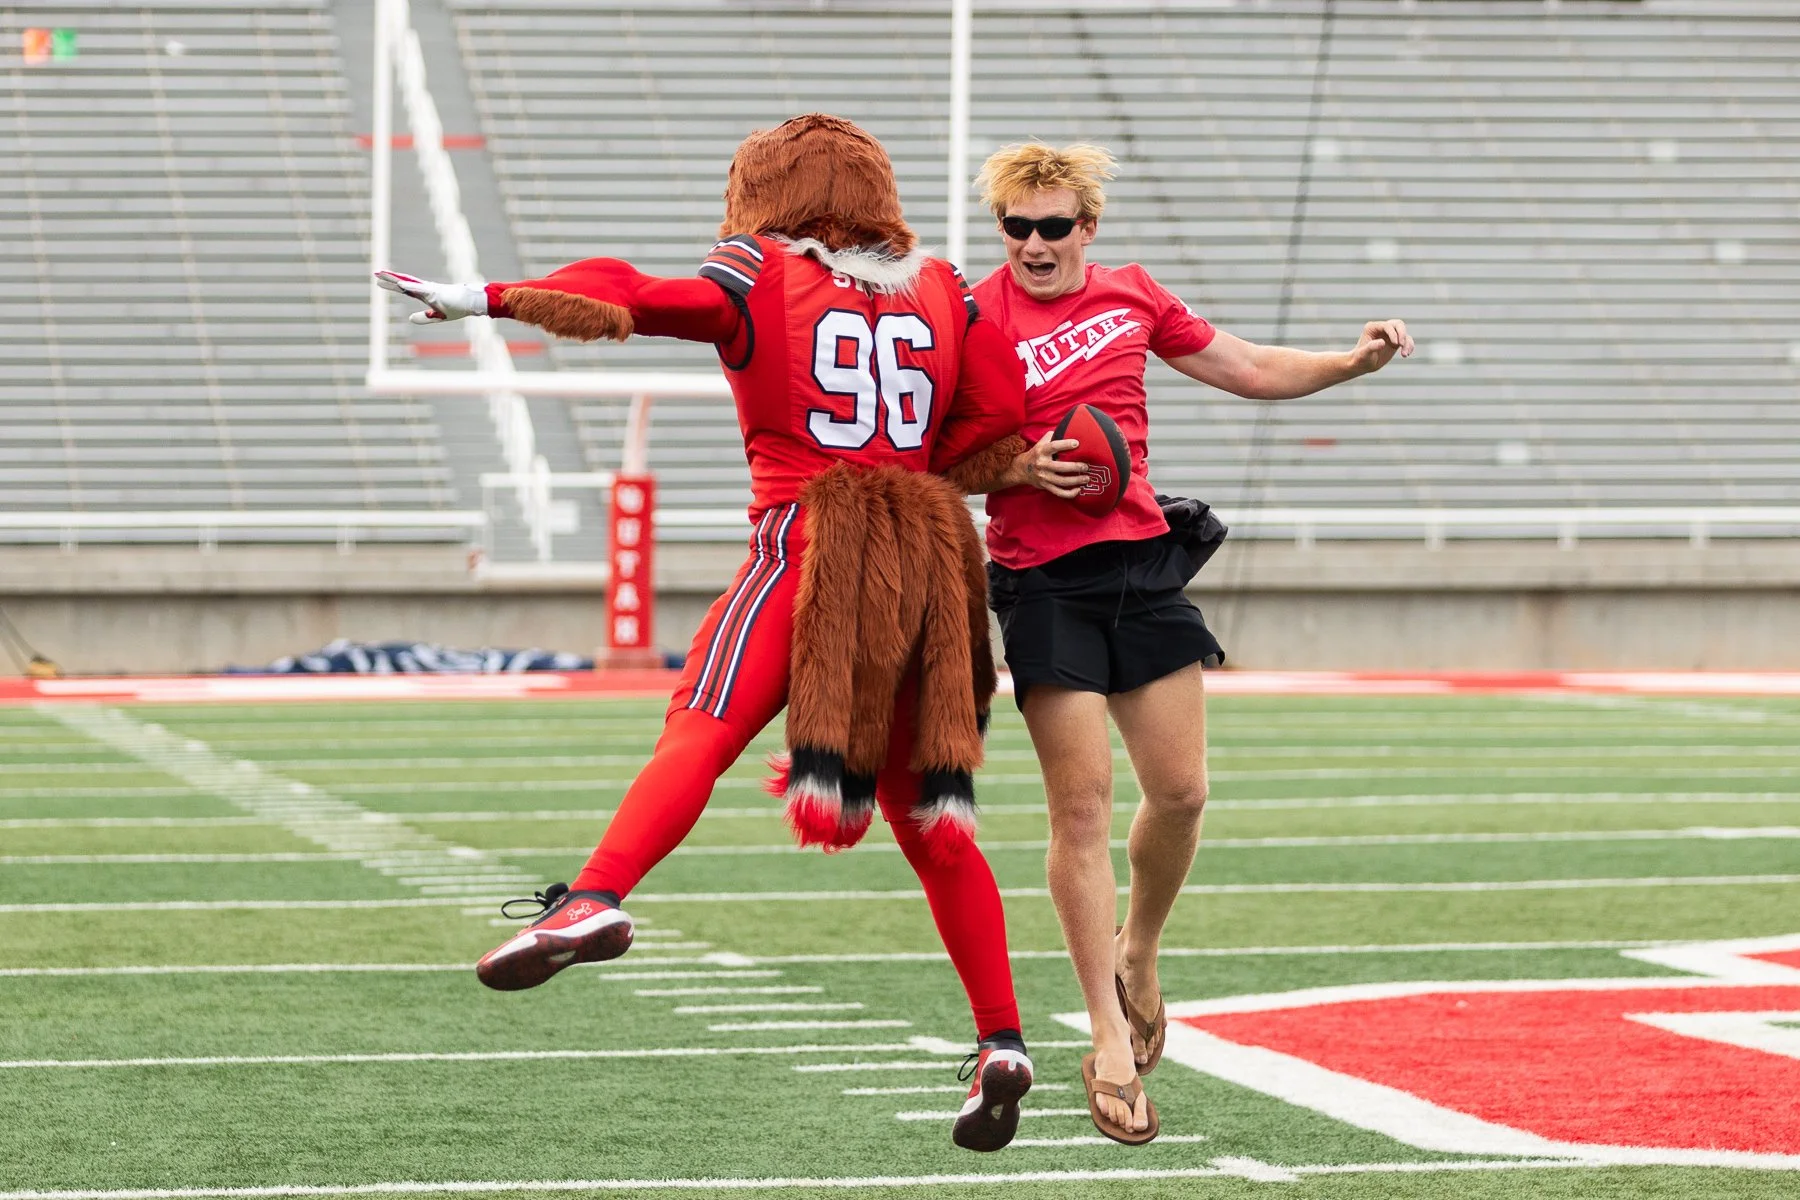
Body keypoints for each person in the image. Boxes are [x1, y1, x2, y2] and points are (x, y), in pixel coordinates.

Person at [377, 114, 1060, 1152]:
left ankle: (594, 896)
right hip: (929, 560)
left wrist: (489, 296)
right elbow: (992, 427)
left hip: (809, 539)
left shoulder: (761, 270)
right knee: (933, 818)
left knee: (698, 726)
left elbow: (638, 296)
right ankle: (1001, 1036)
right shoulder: (947, 290)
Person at [971, 142, 1413, 1144]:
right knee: (1079, 809)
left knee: (1182, 794)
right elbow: (926, 449)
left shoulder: (1131, 296)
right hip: (1040, 584)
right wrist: (1013, 465)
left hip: (1141, 564)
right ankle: (1106, 1041)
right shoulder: (970, 314)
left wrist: (1353, 361)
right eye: (1016, 226)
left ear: (1088, 228)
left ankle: (1142, 949)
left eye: (1052, 226)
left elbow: (1247, 365)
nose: (1033, 245)